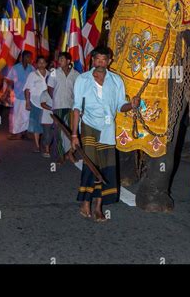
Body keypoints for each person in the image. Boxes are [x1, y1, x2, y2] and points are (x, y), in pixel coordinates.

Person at [71, 46, 140, 222]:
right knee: (91, 165)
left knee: (105, 168)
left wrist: (131, 105)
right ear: (92, 61)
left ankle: (98, 206)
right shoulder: (82, 80)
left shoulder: (116, 81)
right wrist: (73, 135)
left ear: (109, 61)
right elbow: (77, 108)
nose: (101, 63)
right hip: (88, 126)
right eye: (97, 59)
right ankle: (85, 202)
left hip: (108, 129)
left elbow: (120, 106)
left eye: (104, 59)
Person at [47, 52, 79, 164]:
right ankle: (60, 155)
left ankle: (70, 153)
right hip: (58, 106)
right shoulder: (54, 73)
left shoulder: (76, 74)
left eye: (62, 59)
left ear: (69, 61)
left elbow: (78, 91)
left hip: (71, 106)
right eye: (59, 59)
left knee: (72, 132)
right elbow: (50, 88)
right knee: (58, 132)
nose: (59, 61)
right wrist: (55, 99)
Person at [4, 51, 34, 140]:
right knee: (17, 115)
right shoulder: (15, 68)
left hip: (28, 96)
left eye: (30, 57)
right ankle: (17, 133)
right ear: (23, 57)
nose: (29, 59)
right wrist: (6, 93)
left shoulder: (32, 68)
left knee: (27, 115)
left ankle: (25, 132)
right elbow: (9, 80)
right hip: (18, 95)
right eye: (28, 57)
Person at [24, 56, 49, 153]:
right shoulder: (32, 74)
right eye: (39, 62)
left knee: (46, 124)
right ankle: (37, 145)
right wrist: (27, 102)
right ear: (36, 64)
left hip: (46, 103)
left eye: (43, 62)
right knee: (36, 124)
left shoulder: (50, 74)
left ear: (46, 64)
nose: (41, 64)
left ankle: (46, 143)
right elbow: (27, 89)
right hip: (35, 102)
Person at [39, 89, 54, 158]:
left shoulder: (58, 92)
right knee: (48, 134)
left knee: (53, 134)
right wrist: (52, 109)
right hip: (46, 116)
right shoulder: (45, 93)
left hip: (56, 116)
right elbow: (42, 104)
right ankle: (46, 151)